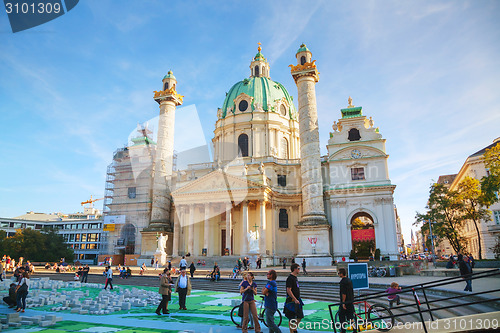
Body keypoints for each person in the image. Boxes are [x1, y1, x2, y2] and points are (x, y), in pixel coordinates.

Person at [284, 263, 303, 333]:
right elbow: (288, 290)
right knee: (291, 318)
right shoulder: (290, 278)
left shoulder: (295, 278)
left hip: (297, 299)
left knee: (300, 316)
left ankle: (294, 329)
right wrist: (294, 299)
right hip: (291, 300)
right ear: (295, 269)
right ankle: (292, 331)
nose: (299, 270)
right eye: (298, 269)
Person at [338, 268, 356, 333]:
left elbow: (344, 293)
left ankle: (343, 330)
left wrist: (343, 302)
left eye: (339, 273)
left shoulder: (343, 282)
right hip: (350, 300)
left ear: (342, 274)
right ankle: (354, 329)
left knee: (341, 316)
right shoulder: (349, 280)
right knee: (351, 317)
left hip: (345, 302)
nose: (338, 274)